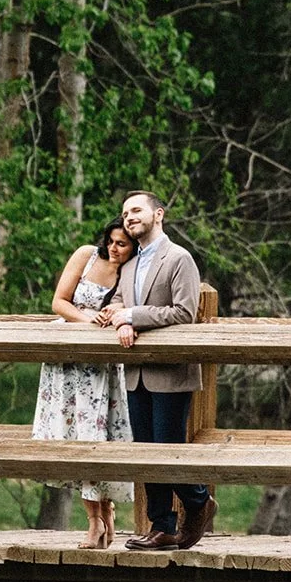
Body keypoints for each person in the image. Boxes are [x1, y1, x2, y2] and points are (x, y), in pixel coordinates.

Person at [97, 190, 217, 551]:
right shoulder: (131, 263)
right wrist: (118, 319)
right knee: (146, 452)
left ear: (158, 214)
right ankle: (162, 527)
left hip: (171, 372)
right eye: (125, 212)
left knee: (167, 449)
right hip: (136, 372)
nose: (129, 216)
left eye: (136, 210)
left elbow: (183, 311)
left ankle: (198, 501)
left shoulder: (178, 258)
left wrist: (134, 317)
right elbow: (120, 300)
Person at [32, 219, 136, 548]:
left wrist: (118, 311)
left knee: (99, 436)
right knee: (74, 435)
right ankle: (94, 521)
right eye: (112, 241)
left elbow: (137, 303)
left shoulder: (134, 270)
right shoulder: (87, 256)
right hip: (69, 359)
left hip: (103, 367)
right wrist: (86, 317)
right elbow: (59, 301)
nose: (115, 248)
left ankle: (106, 515)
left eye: (123, 243)